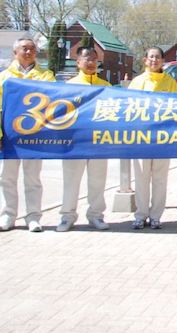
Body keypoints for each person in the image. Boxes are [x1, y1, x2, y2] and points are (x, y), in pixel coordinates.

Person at [0, 37, 56, 232]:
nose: (28, 52)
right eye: (24, 49)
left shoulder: (46, 75)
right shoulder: (4, 77)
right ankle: (8, 215)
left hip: (35, 135)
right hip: (9, 136)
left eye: (32, 49)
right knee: (7, 177)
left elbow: (53, 102)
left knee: (32, 178)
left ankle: (33, 216)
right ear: (15, 52)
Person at [56, 46, 112, 232]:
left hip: (98, 141)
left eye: (94, 60)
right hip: (74, 142)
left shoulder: (106, 86)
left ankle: (96, 215)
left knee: (97, 180)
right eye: (86, 59)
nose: (90, 63)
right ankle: (67, 216)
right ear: (78, 62)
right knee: (71, 180)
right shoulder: (69, 87)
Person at [128, 46, 177, 230]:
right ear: (145, 60)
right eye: (151, 57)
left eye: (157, 57)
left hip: (162, 139)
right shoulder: (137, 81)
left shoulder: (170, 82)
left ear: (162, 61)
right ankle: (141, 214)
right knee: (141, 178)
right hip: (141, 138)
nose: (154, 60)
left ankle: (156, 215)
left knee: (160, 178)